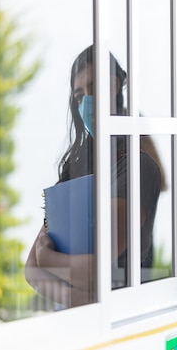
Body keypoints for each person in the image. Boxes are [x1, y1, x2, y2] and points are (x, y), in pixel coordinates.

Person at [25, 45, 163, 308]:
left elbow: (96, 271)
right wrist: (81, 299)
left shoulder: (138, 167)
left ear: (114, 87)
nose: (86, 101)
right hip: (79, 323)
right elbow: (31, 269)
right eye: (79, 95)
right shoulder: (76, 170)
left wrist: (49, 260)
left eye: (94, 88)